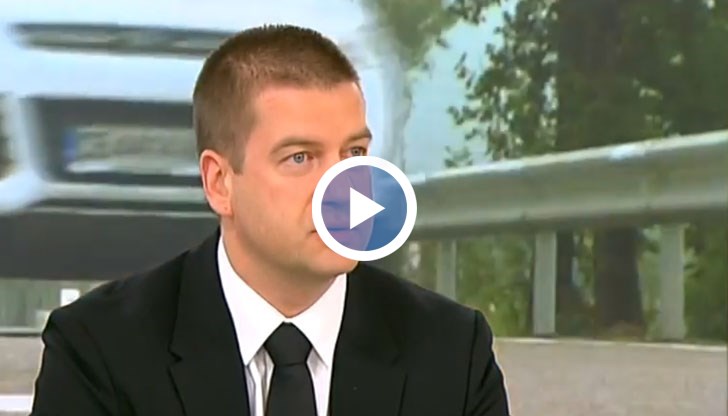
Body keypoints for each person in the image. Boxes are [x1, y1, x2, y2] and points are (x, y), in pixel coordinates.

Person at [31, 24, 510, 416]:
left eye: (354, 153)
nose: (343, 188)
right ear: (220, 183)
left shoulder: (453, 352)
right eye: (301, 158)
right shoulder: (99, 351)